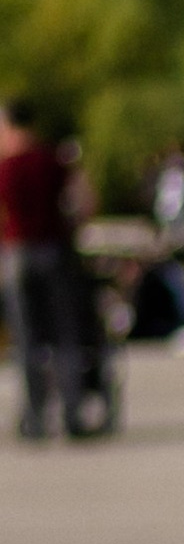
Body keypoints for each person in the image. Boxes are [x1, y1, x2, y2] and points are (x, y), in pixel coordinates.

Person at [0, 102, 95, 438]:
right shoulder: (53, 159)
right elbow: (85, 202)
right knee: (65, 333)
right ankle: (72, 413)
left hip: (17, 253)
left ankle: (35, 417)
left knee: (26, 339)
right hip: (55, 249)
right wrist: (70, 230)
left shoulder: (6, 166)